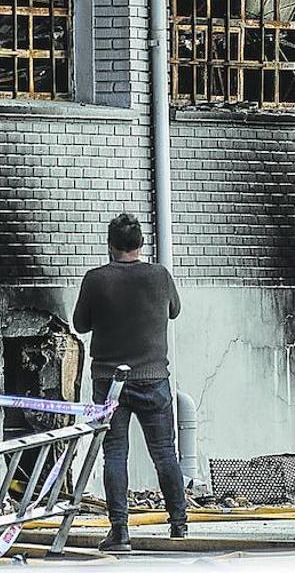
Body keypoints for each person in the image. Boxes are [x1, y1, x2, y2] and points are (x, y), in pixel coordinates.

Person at [72, 213, 187, 553]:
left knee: (115, 456)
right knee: (165, 452)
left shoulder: (95, 279)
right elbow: (175, 311)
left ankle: (120, 532)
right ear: (140, 244)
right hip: (153, 378)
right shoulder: (159, 276)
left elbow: (80, 324)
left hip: (110, 382)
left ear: (110, 245)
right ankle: (178, 523)